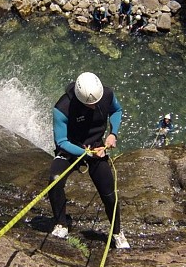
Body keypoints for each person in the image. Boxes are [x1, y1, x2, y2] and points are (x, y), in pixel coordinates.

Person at [48, 72, 130, 249]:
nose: (94, 107)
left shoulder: (106, 95)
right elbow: (62, 141)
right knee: (55, 180)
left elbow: (117, 110)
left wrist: (113, 134)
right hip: (71, 148)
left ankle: (117, 232)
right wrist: (87, 154)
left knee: (108, 191)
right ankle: (61, 223)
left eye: (96, 103)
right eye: (89, 104)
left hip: (96, 146)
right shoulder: (62, 108)